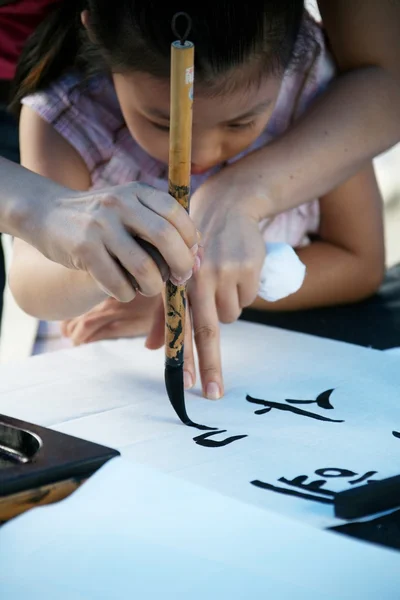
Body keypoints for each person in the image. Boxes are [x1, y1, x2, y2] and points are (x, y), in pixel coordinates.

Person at [9, 1, 385, 389]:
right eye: (162, 123)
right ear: (99, 39)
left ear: (293, 50)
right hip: (102, 379)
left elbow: (361, 263)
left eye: (241, 122)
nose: (200, 155)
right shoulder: (69, 118)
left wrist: (201, 293)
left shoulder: (319, 99)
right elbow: (32, 286)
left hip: (272, 372)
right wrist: (125, 267)